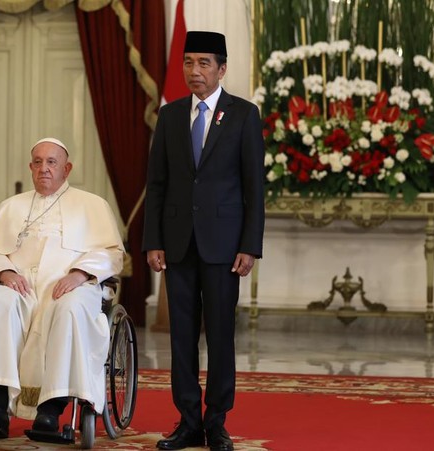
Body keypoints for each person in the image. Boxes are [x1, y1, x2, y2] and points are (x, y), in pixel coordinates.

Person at [143, 31, 265, 451]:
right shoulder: (171, 116)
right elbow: (156, 184)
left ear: (222, 68)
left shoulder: (244, 115)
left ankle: (217, 422)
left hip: (224, 247)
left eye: (204, 64)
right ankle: (188, 420)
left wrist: (249, 245)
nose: (194, 71)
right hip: (177, 245)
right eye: (188, 62)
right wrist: (152, 241)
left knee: (219, 335)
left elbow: (254, 187)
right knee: (180, 338)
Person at [0, 137, 124, 440]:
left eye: (51, 162)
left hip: (70, 286)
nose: (43, 169)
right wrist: (5, 272)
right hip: (21, 287)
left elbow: (112, 254)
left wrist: (79, 273)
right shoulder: (12, 206)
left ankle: (52, 408)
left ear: (66, 168)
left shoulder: (92, 205)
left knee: (70, 308)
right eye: (38, 162)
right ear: (30, 167)